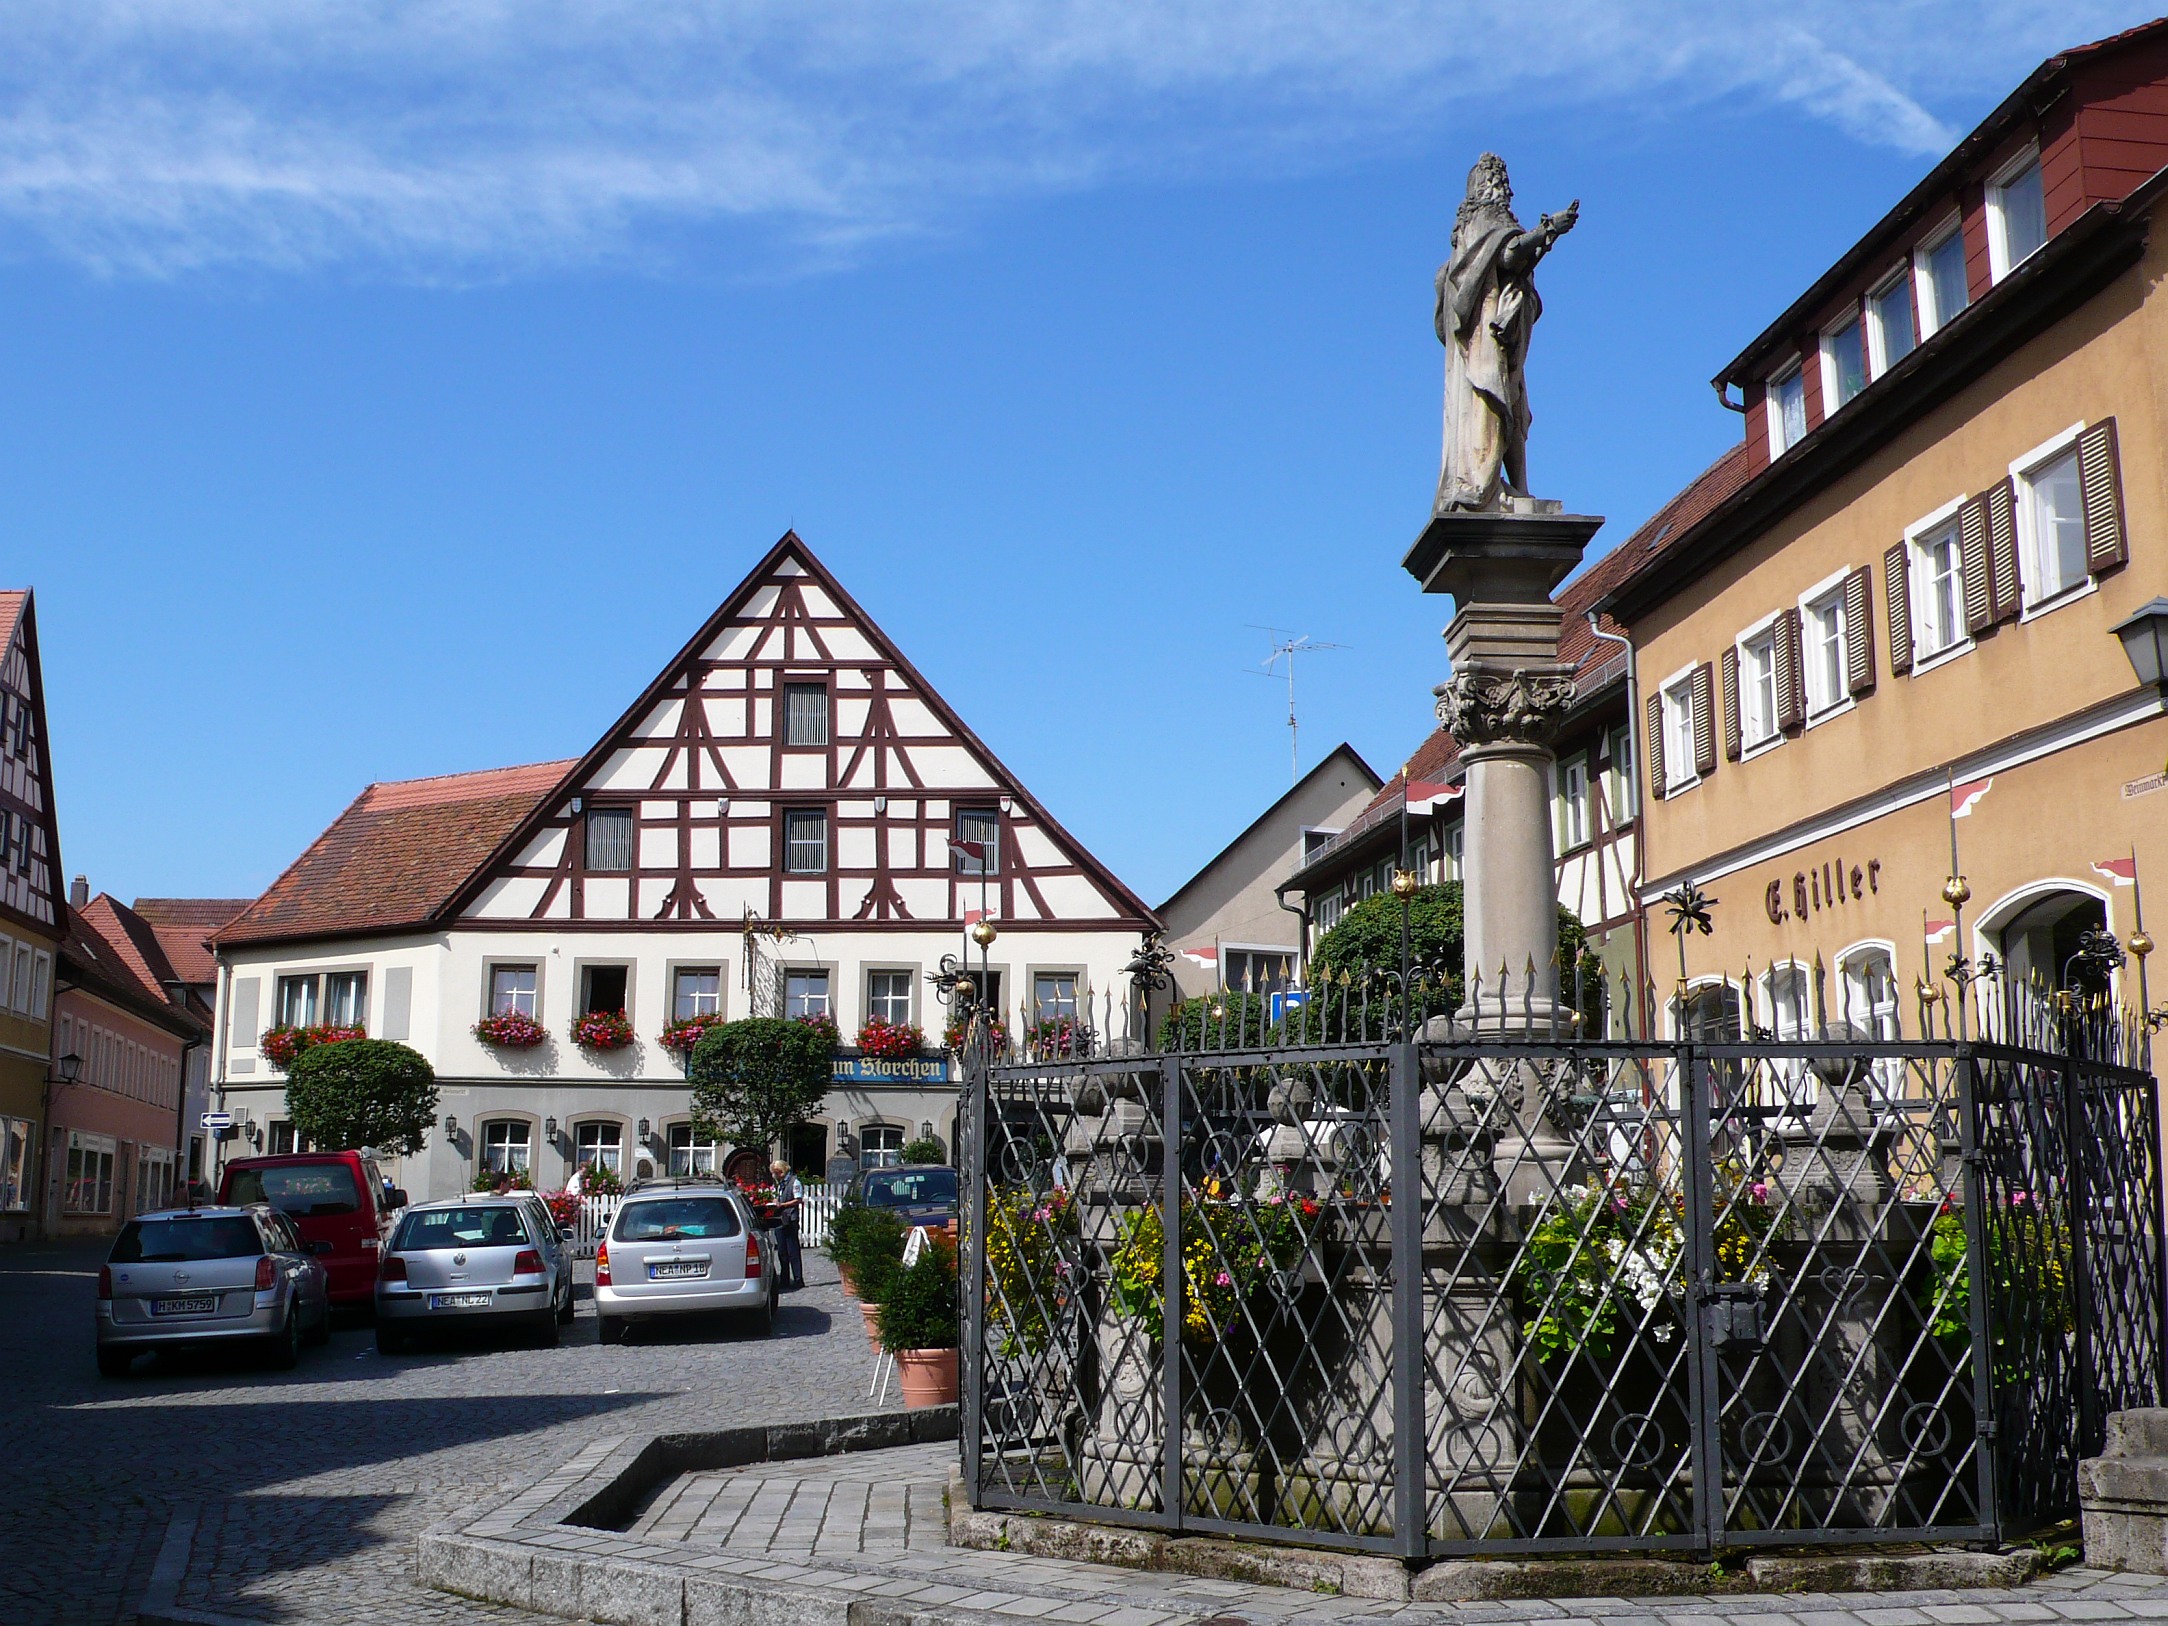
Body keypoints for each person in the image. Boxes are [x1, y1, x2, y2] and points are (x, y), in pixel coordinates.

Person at [769, 1158, 804, 1292]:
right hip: (780, 1218)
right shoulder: (780, 1184)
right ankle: (784, 1279)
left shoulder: (794, 1182)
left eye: (777, 1173)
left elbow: (798, 1199)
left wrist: (783, 1205)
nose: (776, 1176)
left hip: (790, 1218)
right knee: (782, 1251)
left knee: (793, 1250)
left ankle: (798, 1278)